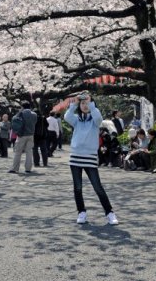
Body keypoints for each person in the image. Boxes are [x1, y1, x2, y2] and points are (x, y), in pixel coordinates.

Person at [64, 94, 118, 225]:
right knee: (77, 187)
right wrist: (74, 104)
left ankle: (109, 212)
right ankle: (81, 212)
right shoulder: (76, 119)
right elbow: (67, 117)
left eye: (87, 103)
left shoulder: (95, 120)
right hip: (76, 156)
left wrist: (91, 103)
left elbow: (99, 118)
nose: (85, 106)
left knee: (97, 187)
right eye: (83, 104)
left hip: (90, 157)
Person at [9, 102, 38, 174]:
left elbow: (14, 119)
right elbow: (35, 122)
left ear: (22, 107)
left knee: (18, 152)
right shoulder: (34, 114)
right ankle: (28, 169)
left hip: (22, 135)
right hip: (31, 134)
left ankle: (15, 168)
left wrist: (19, 112)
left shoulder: (21, 114)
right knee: (29, 152)